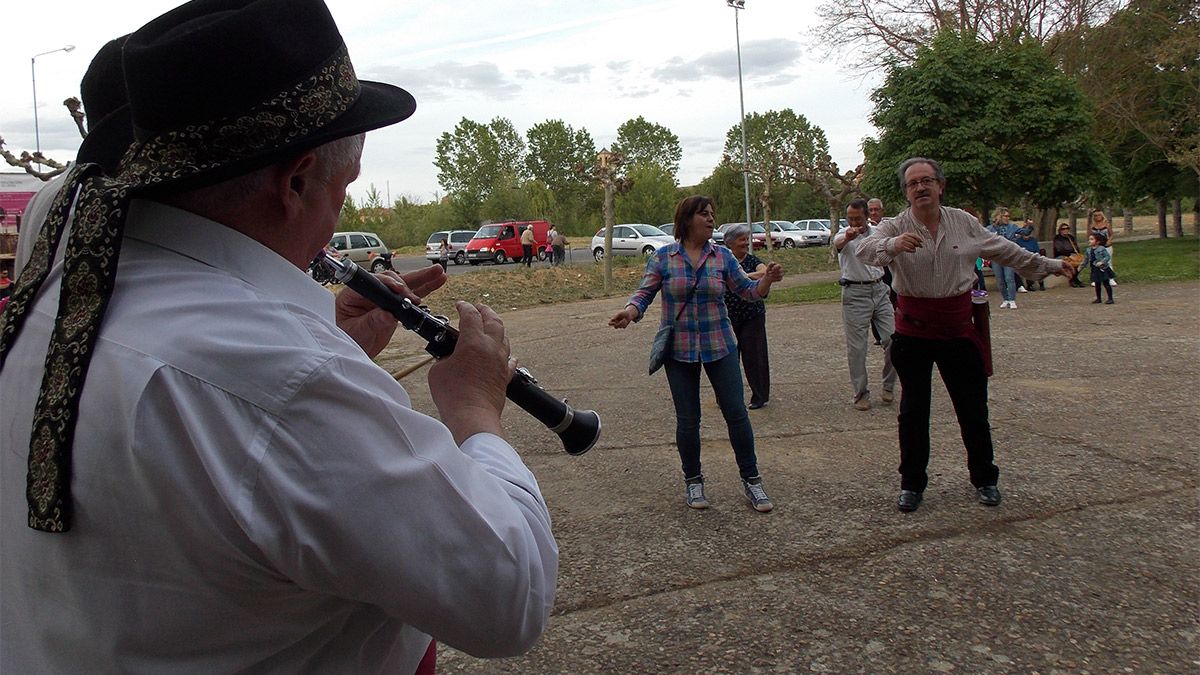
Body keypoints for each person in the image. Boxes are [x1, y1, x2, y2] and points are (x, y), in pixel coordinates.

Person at [0, 1, 557, 672]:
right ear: (295, 181)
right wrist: (475, 405)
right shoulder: (283, 377)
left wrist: (331, 342)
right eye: (342, 186)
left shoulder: (61, 281)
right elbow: (508, 595)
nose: (336, 218)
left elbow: (225, 467)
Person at [855, 157, 1074, 513]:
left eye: (927, 181)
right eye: (913, 184)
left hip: (958, 332)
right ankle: (911, 484)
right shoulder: (894, 226)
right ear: (906, 192)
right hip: (913, 334)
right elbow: (864, 249)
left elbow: (1007, 252)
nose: (921, 188)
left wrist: (1049, 266)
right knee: (913, 412)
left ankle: (985, 479)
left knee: (972, 410)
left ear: (941, 186)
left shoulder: (965, 223)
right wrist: (893, 246)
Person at [609, 195, 783, 513]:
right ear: (687, 219)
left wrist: (767, 281)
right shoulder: (663, 258)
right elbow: (644, 293)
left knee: (737, 413)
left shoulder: (723, 256)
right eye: (704, 214)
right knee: (688, 421)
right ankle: (694, 481)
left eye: (712, 214)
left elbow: (747, 290)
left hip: (721, 346)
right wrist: (630, 312)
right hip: (679, 351)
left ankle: (752, 480)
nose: (711, 218)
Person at [834, 199, 896, 411]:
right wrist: (848, 237)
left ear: (866, 217)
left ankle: (888, 386)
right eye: (850, 218)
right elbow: (839, 244)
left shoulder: (878, 233)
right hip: (855, 293)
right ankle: (861, 393)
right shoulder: (843, 235)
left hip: (879, 290)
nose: (853, 222)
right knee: (857, 347)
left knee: (894, 339)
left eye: (857, 219)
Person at [721, 224, 771, 410]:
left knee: (755, 357)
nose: (745, 243)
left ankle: (759, 396)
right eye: (742, 239)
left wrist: (741, 276)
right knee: (726, 359)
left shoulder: (751, 260)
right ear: (730, 242)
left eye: (746, 239)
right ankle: (725, 397)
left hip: (752, 315)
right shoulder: (723, 259)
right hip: (727, 317)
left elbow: (764, 272)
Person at [867, 197, 894, 343]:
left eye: (876, 209)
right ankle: (878, 335)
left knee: (891, 299)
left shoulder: (889, 225)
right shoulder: (864, 228)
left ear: (882, 211)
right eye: (870, 210)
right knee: (875, 304)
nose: (873, 212)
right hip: (873, 268)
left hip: (888, 267)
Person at [986, 207, 1022, 309]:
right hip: (996, 257)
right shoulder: (990, 229)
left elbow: (1025, 232)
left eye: (1008, 216)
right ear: (999, 216)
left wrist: (1030, 226)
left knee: (1009, 278)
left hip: (1009, 256)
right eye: (1005, 216)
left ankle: (1012, 299)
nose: (1007, 218)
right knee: (1000, 280)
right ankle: (1005, 299)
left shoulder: (1012, 227)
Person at [1082, 232, 1115, 304]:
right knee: (1097, 284)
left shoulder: (1102, 248)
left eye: (1091, 239)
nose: (1089, 241)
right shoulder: (1088, 250)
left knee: (1106, 283)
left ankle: (1110, 298)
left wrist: (1102, 262)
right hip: (1094, 269)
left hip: (1102, 268)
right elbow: (1086, 259)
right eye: (1089, 239)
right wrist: (1081, 266)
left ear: (1097, 241)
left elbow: (1107, 256)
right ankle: (1098, 298)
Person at [1089, 209, 1117, 287]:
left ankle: (1110, 278)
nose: (1097, 217)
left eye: (1099, 215)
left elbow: (1111, 234)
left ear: (1102, 216)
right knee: (1095, 262)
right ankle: (1096, 279)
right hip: (1096, 246)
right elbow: (1090, 235)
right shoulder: (1092, 225)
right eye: (1095, 215)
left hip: (1106, 245)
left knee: (1108, 261)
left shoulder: (1107, 224)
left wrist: (1109, 241)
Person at [1053, 223, 1086, 287]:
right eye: (1063, 229)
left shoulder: (1070, 237)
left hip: (1072, 254)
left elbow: (1076, 247)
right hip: (1061, 255)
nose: (1065, 230)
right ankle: (1073, 280)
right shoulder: (1057, 238)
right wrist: (1069, 255)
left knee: (1082, 262)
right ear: (1060, 230)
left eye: (1067, 228)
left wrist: (1077, 255)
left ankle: (1074, 278)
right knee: (1071, 263)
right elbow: (1059, 249)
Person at [1016, 223, 1045, 291]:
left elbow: (1037, 250)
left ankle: (1041, 282)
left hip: (1033, 257)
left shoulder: (1033, 240)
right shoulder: (1018, 241)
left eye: (1028, 234)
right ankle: (1030, 284)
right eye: (1025, 234)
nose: (1026, 236)